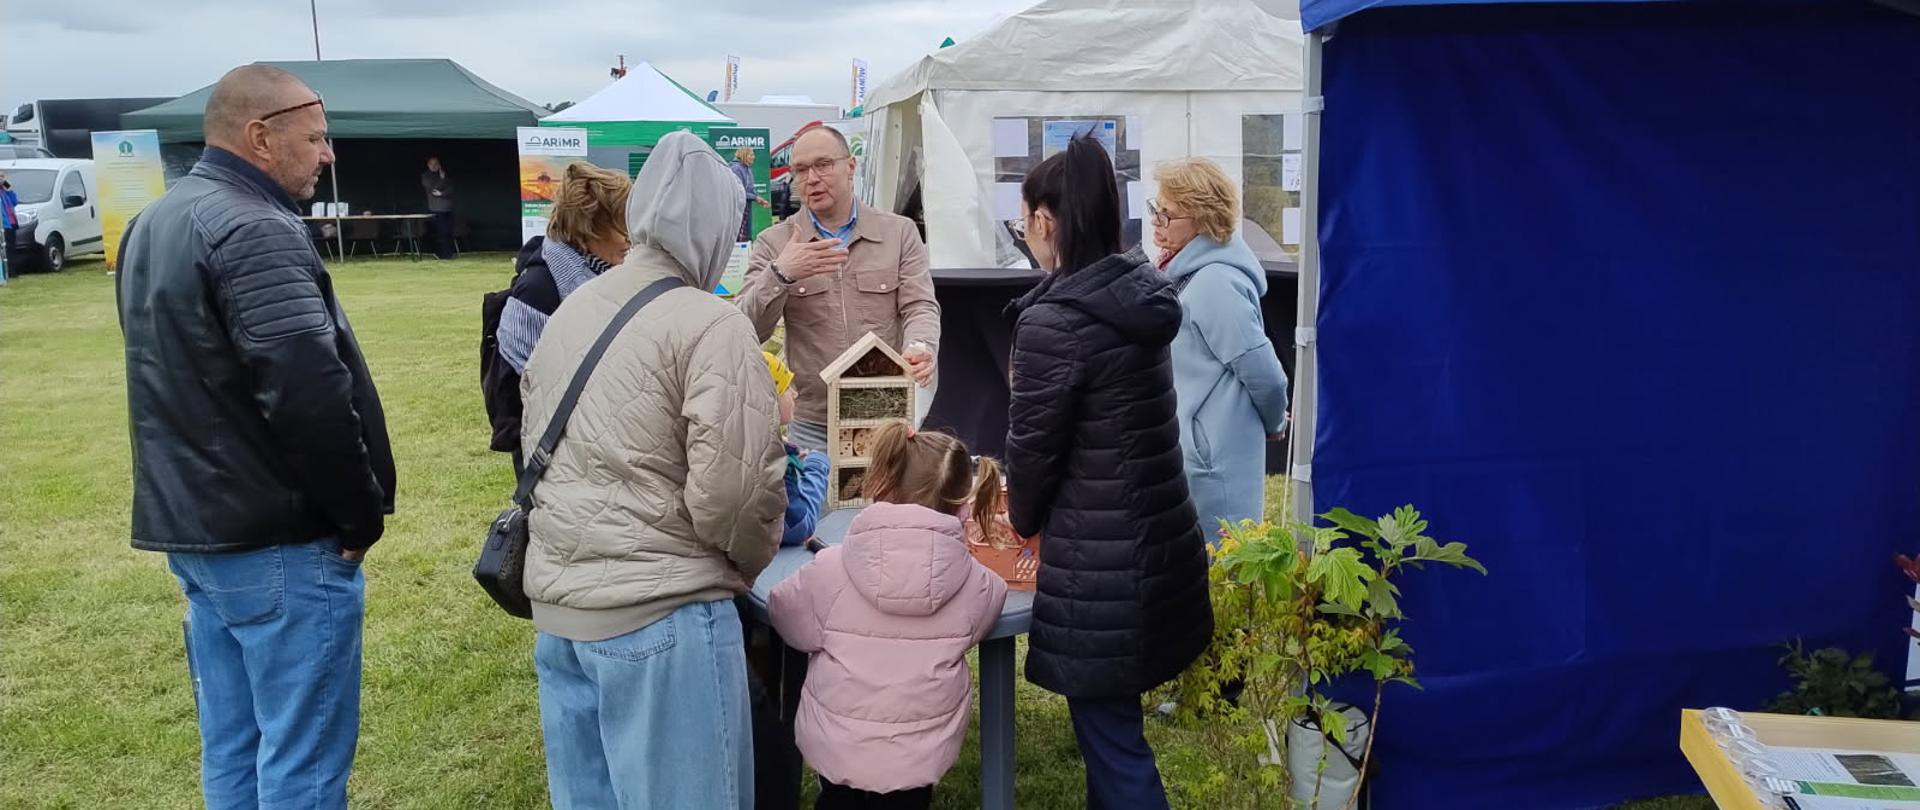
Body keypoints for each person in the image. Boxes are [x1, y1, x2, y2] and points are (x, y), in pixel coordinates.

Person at [115, 64, 396, 810]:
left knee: (235, 746)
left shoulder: (159, 220)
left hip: (204, 535)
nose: (328, 153)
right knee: (300, 762)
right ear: (260, 138)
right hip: (277, 539)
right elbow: (308, 393)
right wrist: (358, 512)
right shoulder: (254, 229)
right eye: (317, 137)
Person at [519, 130, 785, 810]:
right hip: (663, 620)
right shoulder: (713, 324)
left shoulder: (574, 307)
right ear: (715, 226)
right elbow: (736, 493)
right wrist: (747, 567)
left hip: (562, 613)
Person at [1002, 136, 1212, 810]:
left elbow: (1033, 454)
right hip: (1156, 542)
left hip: (1103, 563)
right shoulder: (1133, 291)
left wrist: (1019, 520)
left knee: (1115, 746)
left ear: (1043, 221)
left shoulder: (1057, 323)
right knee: (1110, 732)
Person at [768, 422, 1009, 810]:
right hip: (920, 754)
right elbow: (992, 603)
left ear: (883, 484)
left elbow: (785, 616)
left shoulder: (831, 569)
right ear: (962, 506)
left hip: (838, 745)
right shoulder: (974, 583)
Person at [737, 124, 940, 453]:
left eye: (823, 164)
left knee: (886, 506)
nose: (811, 178)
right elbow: (746, 329)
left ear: (851, 166)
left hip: (887, 416)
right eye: (800, 170)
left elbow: (920, 306)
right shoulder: (775, 243)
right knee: (817, 506)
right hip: (813, 423)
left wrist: (921, 346)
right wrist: (780, 274)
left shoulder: (899, 233)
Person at [1150, 158, 1290, 536]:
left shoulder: (1214, 283)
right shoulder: (1186, 273)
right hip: (1201, 455)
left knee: (1223, 574)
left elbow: (1265, 374)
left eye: (1167, 214)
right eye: (1156, 210)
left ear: (1203, 220)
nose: (1155, 222)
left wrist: (1275, 421)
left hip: (1214, 462)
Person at [486, 162, 632, 473]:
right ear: (588, 229)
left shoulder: (604, 275)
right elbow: (527, 386)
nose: (630, 238)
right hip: (546, 451)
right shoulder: (538, 289)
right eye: (622, 227)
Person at [766, 351, 831, 546]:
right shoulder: (776, 460)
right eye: (787, 388)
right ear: (771, 400)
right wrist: (817, 465)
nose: (795, 393)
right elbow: (797, 526)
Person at [730, 146, 770, 242]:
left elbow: (750, 188)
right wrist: (755, 198)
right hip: (739, 206)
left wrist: (758, 198)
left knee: (746, 233)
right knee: (740, 234)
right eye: (751, 155)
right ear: (744, 155)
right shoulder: (736, 169)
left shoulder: (747, 168)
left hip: (746, 205)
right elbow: (739, 191)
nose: (753, 157)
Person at [422, 156, 455, 259]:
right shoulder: (426, 176)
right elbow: (433, 189)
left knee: (447, 232)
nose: (434, 166)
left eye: (436, 164)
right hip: (436, 209)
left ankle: (449, 254)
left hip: (447, 208)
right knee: (440, 233)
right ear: (428, 165)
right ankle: (440, 254)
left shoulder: (445, 175)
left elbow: (451, 189)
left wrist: (442, 193)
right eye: (432, 164)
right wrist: (442, 179)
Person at [1, 174, 17, 276]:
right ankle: (6, 271)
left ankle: (12, 271)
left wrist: (8, 188)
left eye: (2, 176)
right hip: (3, 225)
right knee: (4, 249)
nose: (1, 179)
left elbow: (14, 202)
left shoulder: (5, 192)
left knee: (11, 248)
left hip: (11, 223)